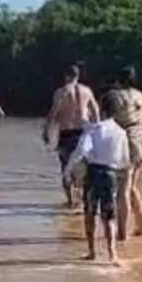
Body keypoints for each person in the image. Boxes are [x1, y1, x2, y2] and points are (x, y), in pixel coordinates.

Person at [63, 90, 129, 265]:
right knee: (109, 215)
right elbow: (124, 160)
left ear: (101, 108)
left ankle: (92, 251)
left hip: (93, 173)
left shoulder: (94, 129)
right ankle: (112, 254)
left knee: (90, 212)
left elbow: (81, 151)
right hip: (110, 174)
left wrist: (68, 171)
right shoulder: (121, 132)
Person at [42, 64, 100, 207]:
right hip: (84, 132)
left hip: (67, 133)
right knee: (84, 166)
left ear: (66, 76)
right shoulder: (87, 91)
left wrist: (46, 131)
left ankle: (71, 200)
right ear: (78, 76)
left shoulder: (62, 92)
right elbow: (96, 112)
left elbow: (53, 112)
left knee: (66, 167)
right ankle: (84, 199)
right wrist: (97, 132)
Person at [108, 66, 142, 241]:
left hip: (128, 140)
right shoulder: (141, 95)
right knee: (131, 186)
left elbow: (107, 123)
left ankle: (121, 234)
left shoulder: (117, 97)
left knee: (122, 190)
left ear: (119, 80)